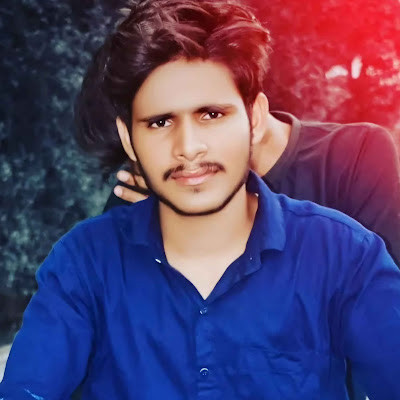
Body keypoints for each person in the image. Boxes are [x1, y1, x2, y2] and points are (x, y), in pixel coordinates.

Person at [1, 0, 400, 399]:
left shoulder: (345, 256)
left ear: (254, 120)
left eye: (211, 115)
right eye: (160, 122)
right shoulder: (84, 263)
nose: (188, 147)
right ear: (129, 139)